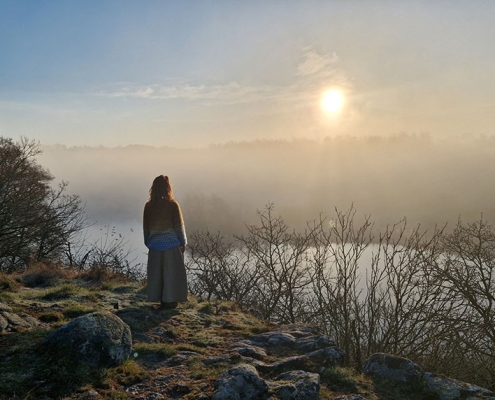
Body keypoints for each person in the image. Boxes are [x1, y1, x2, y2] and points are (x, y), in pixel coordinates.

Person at [143, 175, 188, 309]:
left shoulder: (148, 206)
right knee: (172, 273)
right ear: (168, 188)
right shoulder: (173, 205)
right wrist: (183, 242)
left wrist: (149, 243)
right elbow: (179, 226)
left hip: (155, 245)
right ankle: (170, 300)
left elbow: (146, 228)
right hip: (172, 244)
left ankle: (160, 299)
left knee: (157, 274)